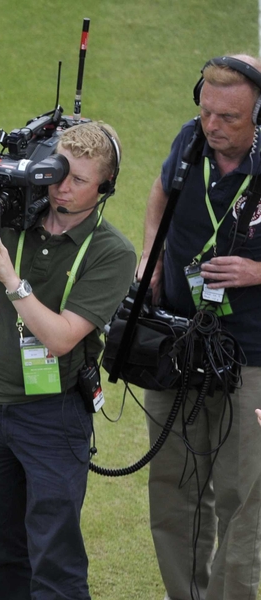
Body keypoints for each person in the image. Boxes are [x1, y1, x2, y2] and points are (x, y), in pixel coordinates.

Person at [0, 122, 136, 600]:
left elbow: (60, 338)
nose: (62, 188)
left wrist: (9, 277)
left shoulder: (112, 252)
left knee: (55, 562)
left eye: (79, 180)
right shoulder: (13, 222)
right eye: (58, 172)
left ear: (105, 187)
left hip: (53, 417)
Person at [139, 54, 261, 600]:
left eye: (228, 117)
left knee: (242, 495)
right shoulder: (190, 140)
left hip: (251, 355)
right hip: (178, 341)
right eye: (206, 110)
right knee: (174, 488)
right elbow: (161, 190)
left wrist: (257, 271)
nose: (212, 125)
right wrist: (152, 255)